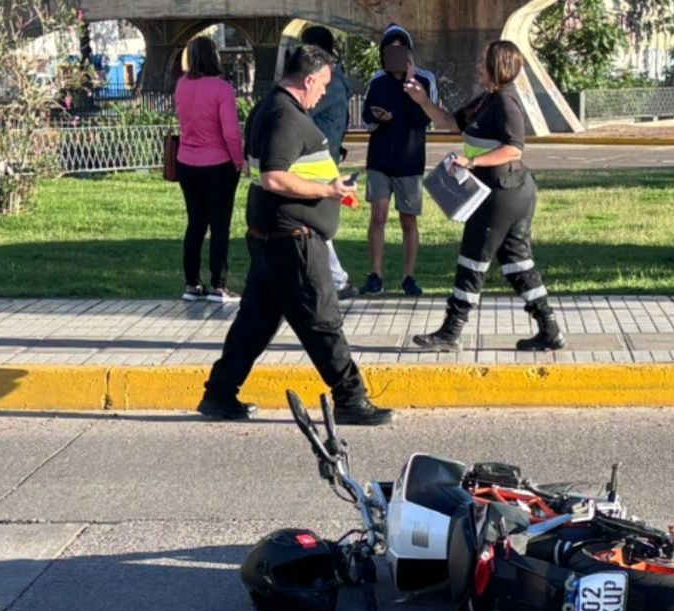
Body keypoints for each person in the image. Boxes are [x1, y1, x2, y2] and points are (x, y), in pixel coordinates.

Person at [197, 45, 395, 426]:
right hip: (293, 241)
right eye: (322, 83)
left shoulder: (273, 108)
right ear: (307, 79)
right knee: (322, 320)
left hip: (275, 237)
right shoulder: (283, 114)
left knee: (254, 324)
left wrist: (328, 182)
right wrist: (328, 191)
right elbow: (274, 176)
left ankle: (219, 394)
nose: (324, 91)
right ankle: (351, 398)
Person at [405, 40, 565, 352]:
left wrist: (472, 161)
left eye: (483, 62)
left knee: (472, 261)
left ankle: (450, 332)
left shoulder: (507, 104)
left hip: (502, 193)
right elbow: (449, 123)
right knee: (516, 263)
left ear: (497, 67)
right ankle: (550, 329)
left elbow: (513, 148)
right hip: (501, 192)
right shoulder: (486, 101)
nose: (479, 66)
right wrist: (422, 100)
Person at [359, 23, 438, 297]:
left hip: (410, 159)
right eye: (389, 53)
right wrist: (377, 118)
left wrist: (412, 90)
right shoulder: (377, 81)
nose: (394, 58)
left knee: (408, 219)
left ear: (409, 54)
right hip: (379, 158)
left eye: (400, 52)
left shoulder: (424, 80)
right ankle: (376, 274)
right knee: (378, 215)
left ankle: (408, 276)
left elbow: (426, 119)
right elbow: (367, 116)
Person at [174, 36, 243, 303]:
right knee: (220, 225)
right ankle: (219, 284)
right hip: (218, 164)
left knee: (195, 224)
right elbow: (230, 132)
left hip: (187, 162)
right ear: (214, 56)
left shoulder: (181, 86)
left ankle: (192, 282)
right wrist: (237, 160)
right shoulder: (221, 88)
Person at [300, 25, 358, 301]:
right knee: (310, 219)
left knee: (315, 220)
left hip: (316, 160)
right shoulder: (336, 77)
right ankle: (330, 278)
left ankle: (337, 279)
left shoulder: (327, 81)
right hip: (323, 155)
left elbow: (301, 110)